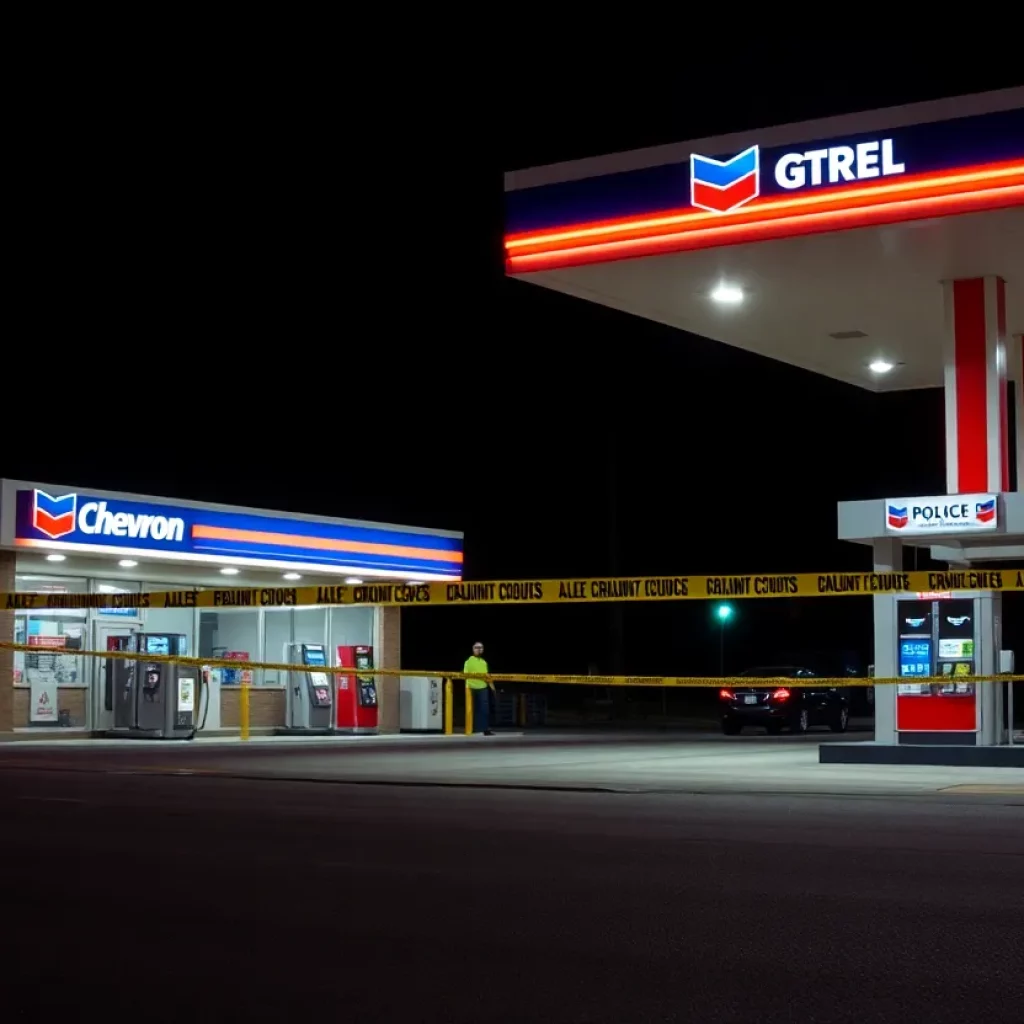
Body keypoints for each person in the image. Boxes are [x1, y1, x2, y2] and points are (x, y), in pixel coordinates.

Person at [464, 641, 495, 736]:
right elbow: (465, 675)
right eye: (477, 647)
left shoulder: (484, 662)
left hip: (483, 688)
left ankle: (485, 729)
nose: (479, 649)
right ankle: (472, 728)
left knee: (484, 709)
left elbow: (487, 676)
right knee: (471, 709)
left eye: (481, 647)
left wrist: (493, 687)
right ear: (473, 649)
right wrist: (467, 686)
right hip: (471, 687)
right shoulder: (468, 661)